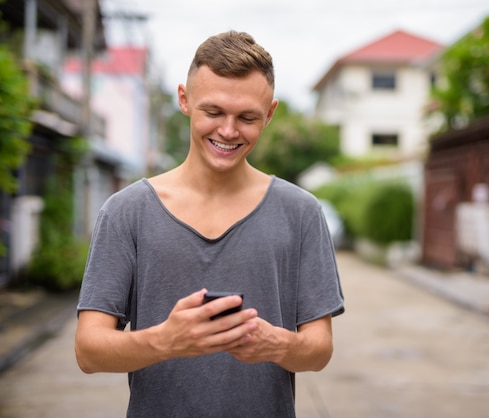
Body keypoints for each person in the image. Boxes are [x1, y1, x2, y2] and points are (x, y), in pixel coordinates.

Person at [75, 30, 344, 417]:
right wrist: (166, 340)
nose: (229, 131)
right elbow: (88, 350)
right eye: (213, 112)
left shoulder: (301, 212)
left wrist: (278, 345)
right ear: (184, 100)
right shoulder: (126, 211)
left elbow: (319, 350)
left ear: (269, 114)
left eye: (247, 117)